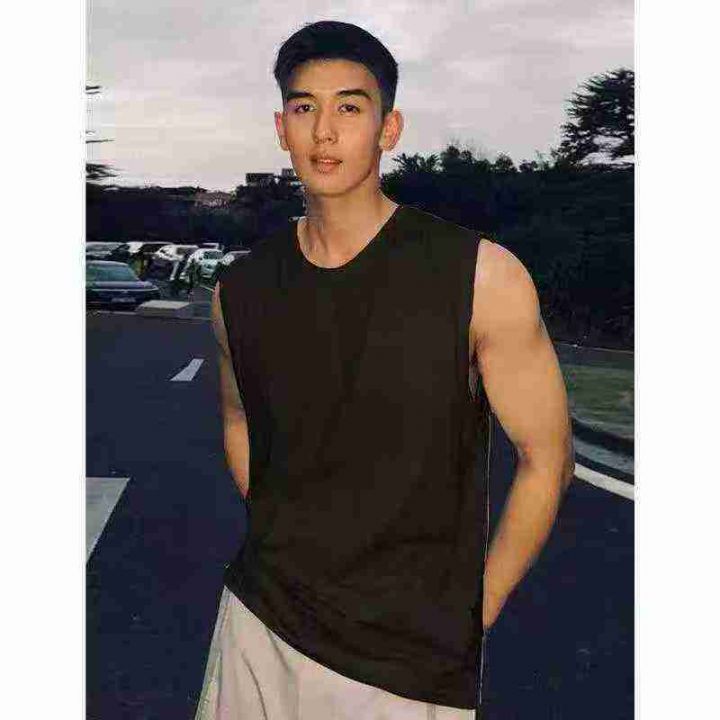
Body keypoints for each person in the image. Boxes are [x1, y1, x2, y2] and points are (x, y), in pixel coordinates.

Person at [196, 20, 574, 720]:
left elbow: (546, 459)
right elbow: (239, 423)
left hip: (406, 663)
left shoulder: (480, 276)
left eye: (350, 106)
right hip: (260, 621)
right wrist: (290, 540)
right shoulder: (239, 291)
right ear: (281, 129)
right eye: (304, 108)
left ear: (389, 128)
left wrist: (477, 608)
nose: (324, 131)